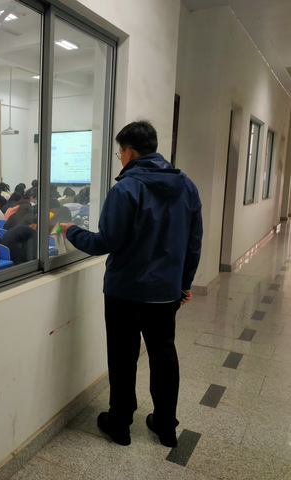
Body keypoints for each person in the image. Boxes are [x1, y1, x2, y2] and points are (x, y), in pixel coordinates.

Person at [60, 120, 203, 448]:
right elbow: (193, 241)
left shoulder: (125, 189)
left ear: (129, 151)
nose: (120, 158)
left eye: (119, 152)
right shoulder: (187, 187)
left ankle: (120, 424)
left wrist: (71, 231)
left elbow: (105, 242)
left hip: (124, 292)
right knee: (164, 356)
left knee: (123, 358)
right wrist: (185, 283)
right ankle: (166, 427)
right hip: (165, 292)